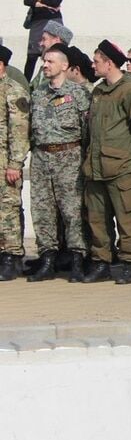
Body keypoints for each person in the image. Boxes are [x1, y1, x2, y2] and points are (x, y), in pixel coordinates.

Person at [82, 40, 131, 285]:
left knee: (126, 217)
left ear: (109, 64)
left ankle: (130, 262)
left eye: (97, 61)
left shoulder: (130, 91)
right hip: (96, 167)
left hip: (122, 168)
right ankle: (102, 261)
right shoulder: (98, 91)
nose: (93, 65)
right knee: (97, 218)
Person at [26, 45, 91, 283]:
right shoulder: (38, 94)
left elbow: (87, 131)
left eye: (50, 61)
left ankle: (77, 260)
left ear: (64, 65)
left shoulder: (78, 93)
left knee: (72, 211)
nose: (45, 65)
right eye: (44, 61)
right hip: (42, 158)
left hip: (69, 157)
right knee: (42, 211)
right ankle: (47, 260)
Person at [0, 45, 30, 281]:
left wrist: (15, 163)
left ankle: (12, 255)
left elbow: (19, 130)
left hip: (5, 162)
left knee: (8, 208)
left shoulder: (13, 90)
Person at [23, 0, 65, 79]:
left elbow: (56, 1)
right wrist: (41, 4)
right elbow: (26, 0)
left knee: (55, 53)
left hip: (54, 21)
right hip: (37, 21)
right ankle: (26, 83)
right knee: (32, 55)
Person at [30, 20, 73, 92]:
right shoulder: (44, 67)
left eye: (44, 39)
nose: (41, 44)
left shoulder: (68, 69)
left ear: (56, 40)